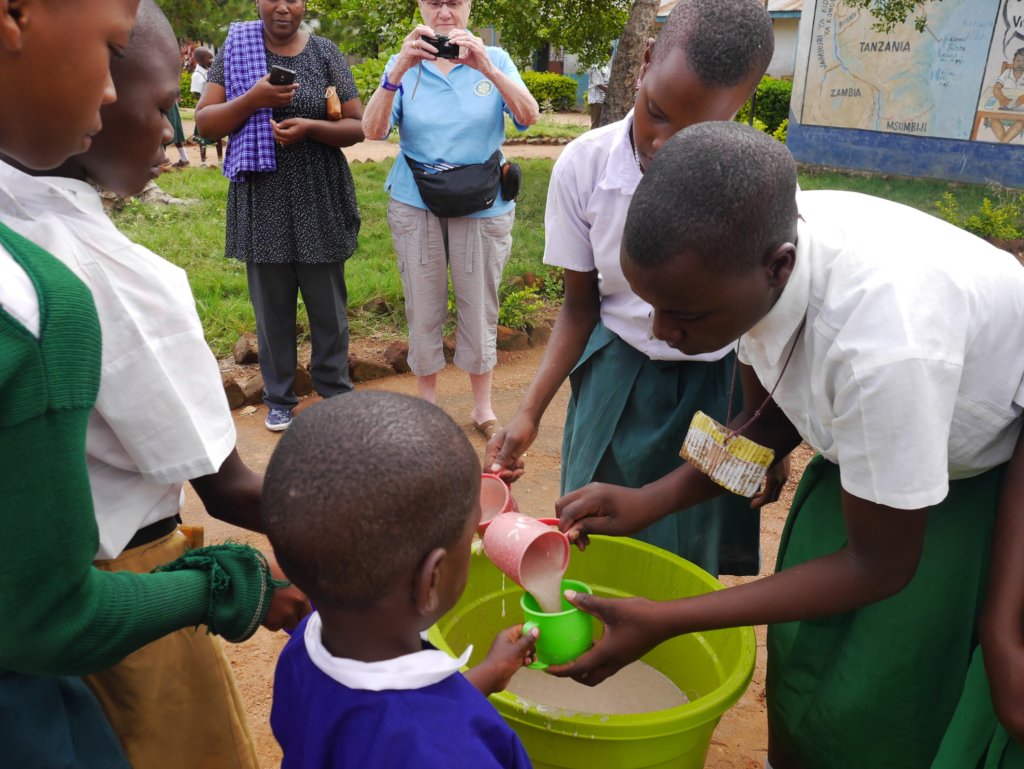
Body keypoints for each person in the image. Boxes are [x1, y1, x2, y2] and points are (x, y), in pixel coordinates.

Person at [549, 121, 1024, 769]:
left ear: (779, 266)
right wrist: (647, 501)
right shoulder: (742, 255)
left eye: (684, 316)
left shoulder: (883, 347)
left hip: (977, 485)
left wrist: (672, 617)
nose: (663, 332)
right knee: (805, 664)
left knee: (890, 696)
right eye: (651, 304)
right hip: (870, 471)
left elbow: (881, 566)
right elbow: (765, 427)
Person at [0, 3, 309, 767]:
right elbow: (230, 488)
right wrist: (368, 535)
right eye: (165, 103)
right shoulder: (100, 281)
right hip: (127, 602)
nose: (175, 131)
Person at [486, 0, 784, 576]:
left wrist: (762, 426)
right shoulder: (584, 167)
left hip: (717, 382)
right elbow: (579, 308)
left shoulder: (755, 186)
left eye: (698, 130)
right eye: (656, 113)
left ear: (741, 104)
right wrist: (528, 413)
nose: (663, 145)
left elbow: (764, 321)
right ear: (646, 61)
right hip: (615, 374)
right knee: (593, 531)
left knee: (691, 542)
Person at [262, 391, 538, 768]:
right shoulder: (454, 756)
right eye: (471, 529)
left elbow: (372, 726)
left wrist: (488, 674)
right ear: (431, 581)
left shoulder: (305, 648)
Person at [361, 0, 540, 441]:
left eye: (454, 2)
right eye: (434, 2)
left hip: (483, 200)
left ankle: (482, 408)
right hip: (415, 199)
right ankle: (428, 407)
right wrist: (398, 68)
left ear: (469, 7)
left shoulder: (494, 59)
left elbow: (528, 117)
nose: (444, 11)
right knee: (422, 301)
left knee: (480, 304)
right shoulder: (404, 65)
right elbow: (373, 130)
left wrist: (487, 69)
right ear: (421, 8)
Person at [195, 0, 364, 432]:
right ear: (258, 2)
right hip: (261, 194)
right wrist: (255, 98)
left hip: (317, 193)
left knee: (328, 307)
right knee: (271, 310)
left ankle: (334, 391)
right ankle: (279, 398)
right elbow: (206, 124)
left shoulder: (325, 52)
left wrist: (311, 128)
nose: (284, 6)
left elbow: (357, 125)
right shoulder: (236, 49)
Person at [191, 46, 224, 166]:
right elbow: (195, 93)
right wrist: (205, 101)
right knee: (202, 137)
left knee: (218, 135)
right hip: (204, 110)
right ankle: (203, 161)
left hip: (215, 108)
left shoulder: (210, 71)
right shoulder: (197, 75)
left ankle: (220, 159)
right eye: (209, 58)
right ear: (200, 60)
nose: (212, 60)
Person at [988, 47, 1024, 143]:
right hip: (1005, 106)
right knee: (993, 118)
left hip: (1020, 111)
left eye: (1023, 61)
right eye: (1018, 60)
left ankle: (1002, 144)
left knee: (1020, 123)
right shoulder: (1007, 73)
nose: (1020, 64)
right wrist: (1002, 98)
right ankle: (1004, 143)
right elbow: (996, 88)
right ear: (1013, 61)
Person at [161, 101, 190, 168]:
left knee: (161, 131)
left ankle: (162, 160)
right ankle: (184, 159)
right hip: (171, 102)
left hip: (164, 103)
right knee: (176, 131)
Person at [586, 53, 610, 130]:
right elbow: (599, 84)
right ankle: (592, 141)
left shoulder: (605, 65)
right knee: (596, 123)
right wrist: (612, 92)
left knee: (603, 123)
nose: (609, 55)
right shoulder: (595, 66)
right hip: (597, 99)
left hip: (604, 98)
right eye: (607, 52)